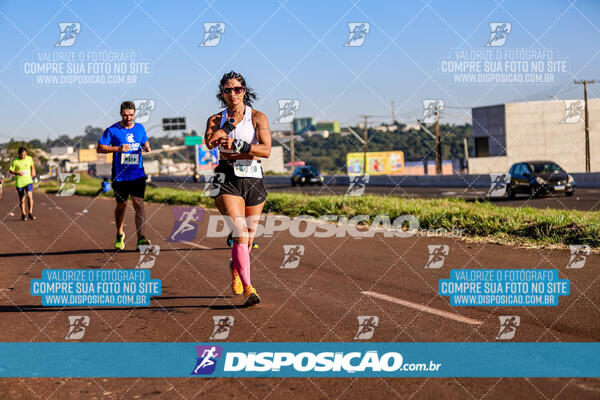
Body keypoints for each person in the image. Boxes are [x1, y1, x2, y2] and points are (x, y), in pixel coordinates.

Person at [204, 71, 271, 306]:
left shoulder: (258, 117)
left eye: (237, 89)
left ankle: (236, 266)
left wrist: (240, 144)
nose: (233, 93)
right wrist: (230, 123)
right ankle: (249, 289)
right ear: (222, 94)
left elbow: (265, 150)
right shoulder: (216, 119)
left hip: (253, 177)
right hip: (226, 177)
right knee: (240, 233)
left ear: (244, 90)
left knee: (249, 239)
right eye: (228, 90)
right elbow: (211, 142)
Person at [97, 101, 152, 250]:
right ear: (121, 114)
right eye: (126, 115)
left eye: (132, 115)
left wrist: (147, 147)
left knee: (138, 203)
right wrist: (117, 148)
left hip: (137, 174)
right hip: (120, 176)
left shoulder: (140, 128)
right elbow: (100, 148)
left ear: (135, 114)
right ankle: (120, 234)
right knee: (121, 206)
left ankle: (141, 238)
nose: (129, 118)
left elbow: (145, 143)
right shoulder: (112, 130)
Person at [9, 147, 36, 220]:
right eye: (22, 155)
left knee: (30, 196)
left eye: (25, 154)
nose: (23, 156)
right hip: (20, 182)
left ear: (26, 153)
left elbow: (32, 166)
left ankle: (30, 213)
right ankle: (23, 214)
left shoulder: (29, 158)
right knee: (22, 199)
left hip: (28, 181)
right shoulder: (15, 161)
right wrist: (17, 173)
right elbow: (11, 170)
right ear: (19, 154)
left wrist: (33, 171)